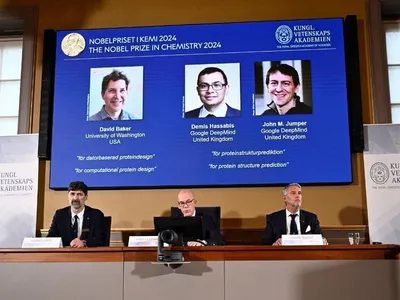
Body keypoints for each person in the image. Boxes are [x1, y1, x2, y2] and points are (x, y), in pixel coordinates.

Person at [262, 183, 328, 245]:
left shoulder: (311, 217)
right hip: (282, 254)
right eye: (293, 193)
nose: (297, 196)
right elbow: (266, 243)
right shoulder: (273, 218)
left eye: (299, 193)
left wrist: (323, 241)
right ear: (285, 198)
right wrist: (275, 244)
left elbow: (321, 238)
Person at [47, 181, 106, 247]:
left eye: (79, 194)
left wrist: (84, 243)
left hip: (88, 255)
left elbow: (101, 240)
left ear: (86, 197)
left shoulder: (96, 215)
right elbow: (51, 238)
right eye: (72, 194)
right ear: (68, 196)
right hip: (64, 255)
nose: (75, 198)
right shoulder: (60, 215)